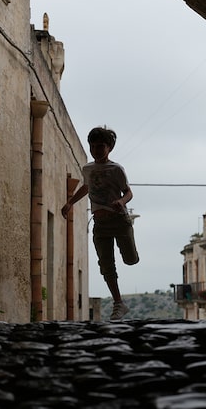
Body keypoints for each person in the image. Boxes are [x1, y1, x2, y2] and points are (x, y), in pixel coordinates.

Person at [61, 126, 139, 320]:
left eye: (101, 146)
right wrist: (70, 202)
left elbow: (128, 192)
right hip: (100, 224)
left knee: (130, 259)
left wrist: (121, 201)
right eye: (93, 146)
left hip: (119, 221)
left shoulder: (116, 169)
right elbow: (86, 187)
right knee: (106, 265)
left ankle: (131, 256)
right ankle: (118, 303)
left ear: (109, 148)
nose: (96, 150)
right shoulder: (87, 168)